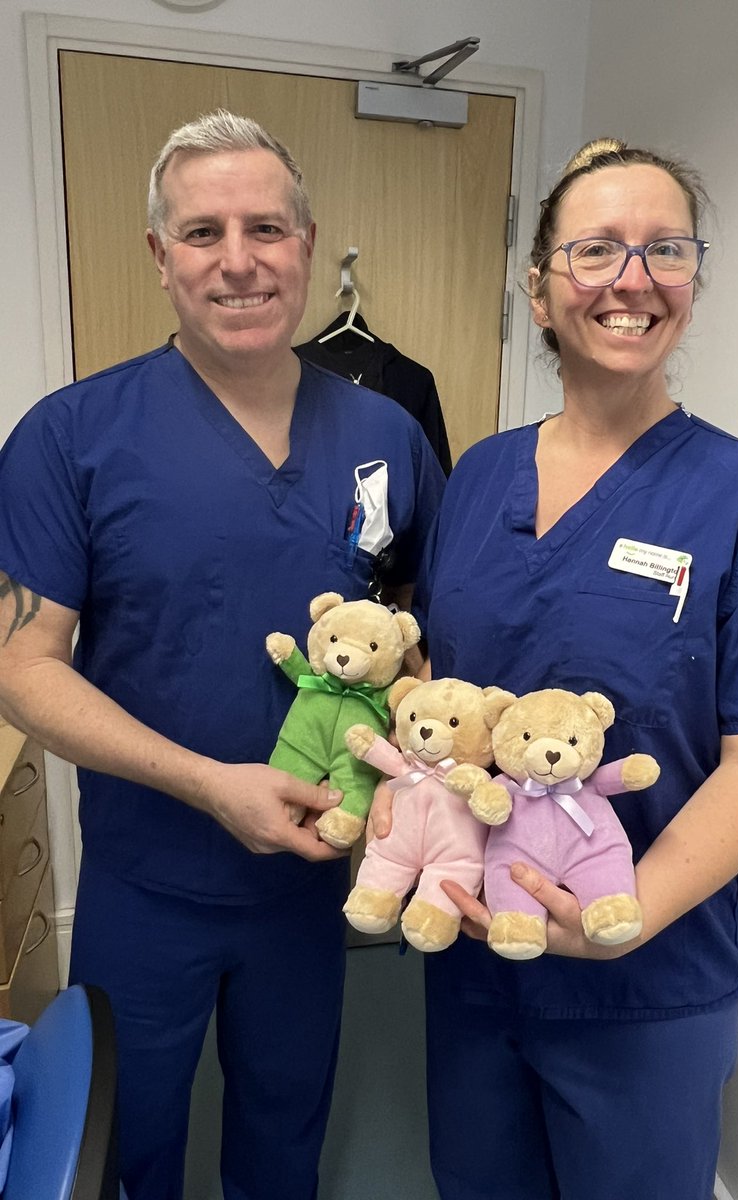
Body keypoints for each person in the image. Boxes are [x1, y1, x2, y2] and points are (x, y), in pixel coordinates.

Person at [411, 139, 738, 1200]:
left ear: (694, 280)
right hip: (479, 961)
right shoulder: (482, 476)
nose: (633, 279)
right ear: (538, 288)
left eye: (664, 249)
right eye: (596, 251)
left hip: (647, 978)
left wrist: (624, 917)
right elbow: (450, 693)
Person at [0, 110, 444, 1200]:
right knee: (130, 1142)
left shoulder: (384, 435)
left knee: (286, 1128)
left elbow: (421, 627)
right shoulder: (70, 437)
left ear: (305, 242)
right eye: (202, 232)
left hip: (308, 882)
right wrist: (209, 786)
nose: (238, 261)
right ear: (159, 257)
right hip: (149, 882)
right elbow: (25, 664)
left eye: (266, 228)